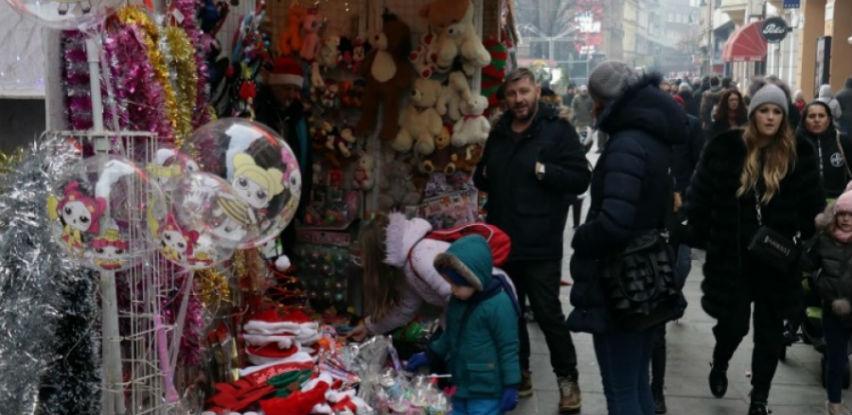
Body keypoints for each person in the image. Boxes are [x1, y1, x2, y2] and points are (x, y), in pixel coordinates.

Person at [685, 84, 826, 415]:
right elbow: (701, 193)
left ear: (784, 116)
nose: (771, 117)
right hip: (734, 257)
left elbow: (812, 205)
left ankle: (760, 397)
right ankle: (720, 362)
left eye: (777, 112)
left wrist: (809, 239)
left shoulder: (798, 153)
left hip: (777, 260)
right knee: (733, 325)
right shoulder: (726, 148)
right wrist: (693, 228)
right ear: (753, 114)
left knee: (770, 332)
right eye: (765, 110)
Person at [566, 61, 687, 415]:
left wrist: (580, 237)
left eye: (594, 100)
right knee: (637, 384)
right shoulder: (650, 136)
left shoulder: (626, 144)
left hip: (622, 282)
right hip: (646, 277)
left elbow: (615, 223)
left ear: (605, 100)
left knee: (621, 391)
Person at [474, 67, 591, 413]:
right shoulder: (499, 132)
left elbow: (581, 178)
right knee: (509, 312)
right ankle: (519, 373)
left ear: (536, 91)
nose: (518, 100)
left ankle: (567, 380)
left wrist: (545, 171)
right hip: (504, 241)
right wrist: (482, 175)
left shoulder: (557, 131)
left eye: (523, 92)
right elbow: (485, 174)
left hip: (540, 242)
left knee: (548, 313)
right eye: (511, 94)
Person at [405, 235, 521, 415]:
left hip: (487, 389)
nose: (452, 289)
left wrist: (511, 384)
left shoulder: (499, 304)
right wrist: (431, 354)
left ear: (475, 279)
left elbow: (508, 347)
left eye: (457, 284)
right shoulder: (457, 301)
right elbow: (450, 334)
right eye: (450, 283)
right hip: (460, 383)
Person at [348, 213, 451, 341]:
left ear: (378, 256)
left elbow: (461, 299)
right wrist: (368, 327)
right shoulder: (406, 263)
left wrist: (446, 341)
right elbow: (405, 309)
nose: (363, 262)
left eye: (365, 257)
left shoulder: (421, 257)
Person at [254, 56, 313, 256]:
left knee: (285, 256)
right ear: (274, 86)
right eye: (287, 88)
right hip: (259, 198)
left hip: (288, 203)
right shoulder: (259, 112)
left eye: (296, 90)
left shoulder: (297, 119)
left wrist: (302, 203)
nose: (292, 95)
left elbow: (306, 160)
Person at [801, 186, 852, 415]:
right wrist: (817, 282)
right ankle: (834, 403)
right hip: (833, 308)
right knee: (836, 360)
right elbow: (806, 264)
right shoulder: (824, 238)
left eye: (851, 215)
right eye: (842, 214)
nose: (846, 220)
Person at [797, 101, 852, 199]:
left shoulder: (842, 141)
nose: (817, 120)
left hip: (839, 202)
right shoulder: (796, 143)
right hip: (804, 202)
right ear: (804, 119)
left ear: (829, 119)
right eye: (812, 116)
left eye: (821, 116)